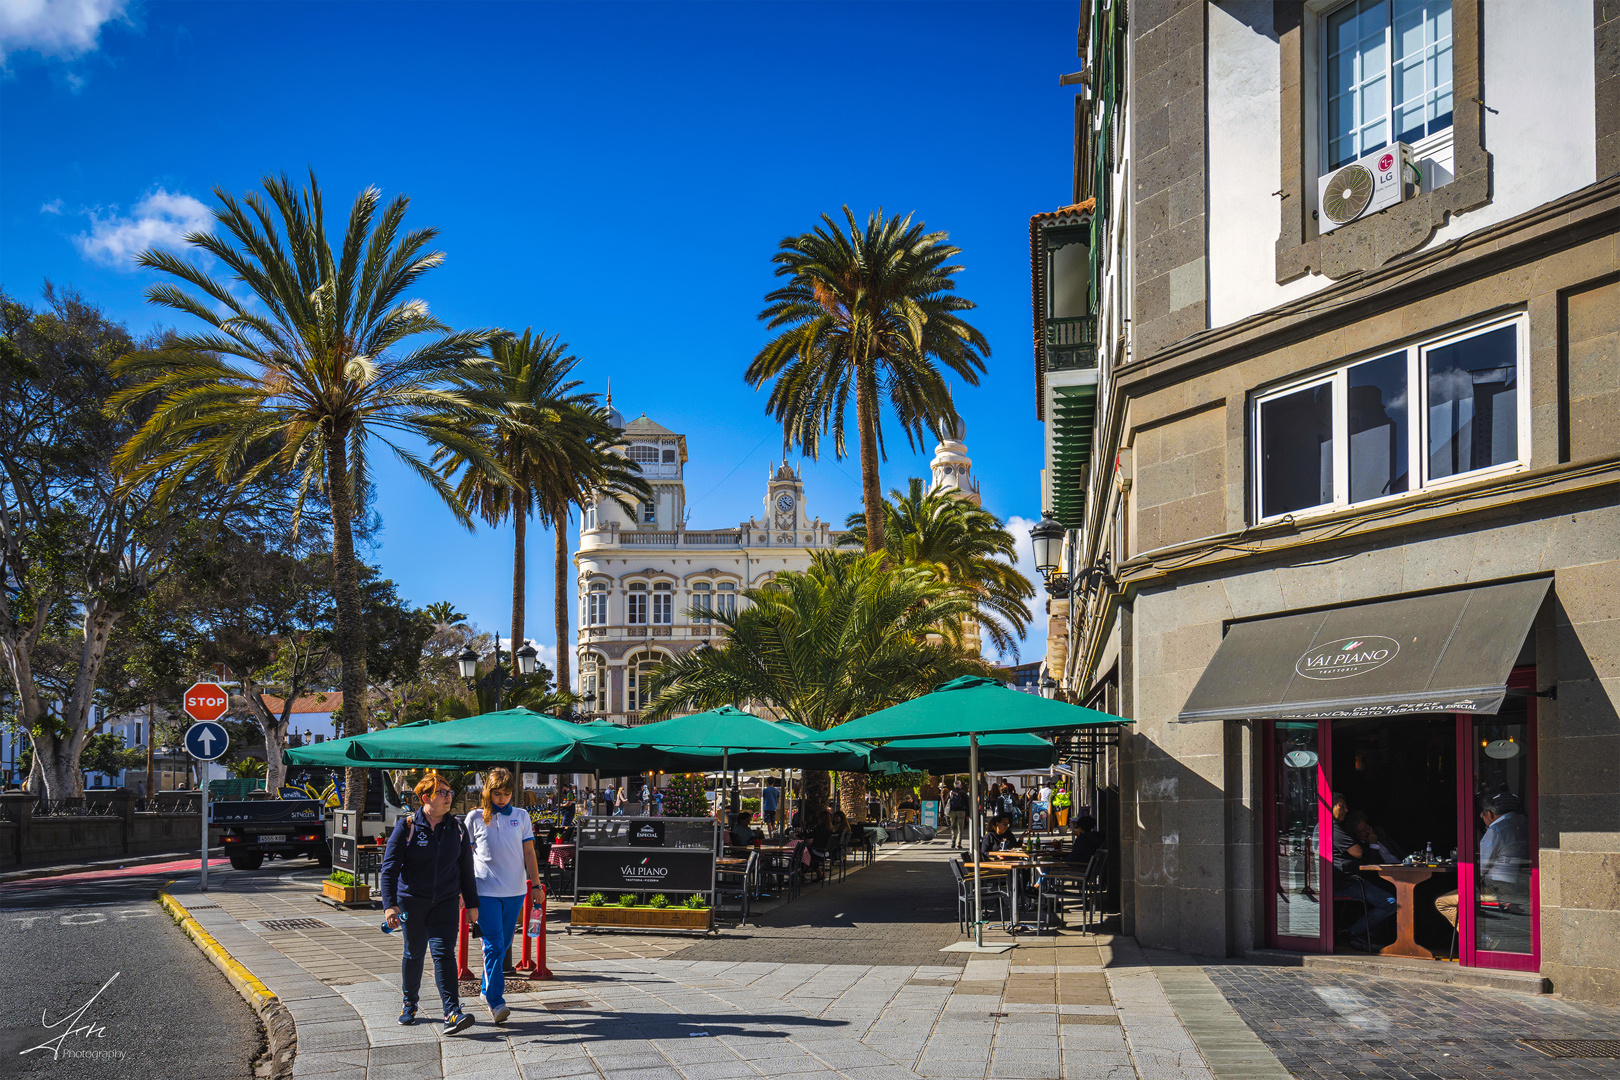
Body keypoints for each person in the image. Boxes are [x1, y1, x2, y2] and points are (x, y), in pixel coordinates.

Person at [381, 771, 480, 1033]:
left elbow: (466, 869)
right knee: (413, 953)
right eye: (442, 793)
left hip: (446, 902)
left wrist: (472, 904)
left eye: (450, 793)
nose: (449, 797)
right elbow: (389, 868)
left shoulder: (457, 827)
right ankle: (409, 1003)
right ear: (426, 797)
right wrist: (390, 904)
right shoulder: (408, 826)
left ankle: (452, 1012)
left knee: (444, 954)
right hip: (412, 902)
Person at [464, 769, 543, 1026]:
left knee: (504, 944)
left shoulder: (521, 816)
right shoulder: (474, 817)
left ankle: (487, 989)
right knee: (495, 945)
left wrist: (536, 885)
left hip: (515, 891)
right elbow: (463, 857)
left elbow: (529, 852)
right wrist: (462, 891)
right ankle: (496, 1001)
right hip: (484, 891)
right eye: (497, 793)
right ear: (487, 791)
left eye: (507, 793)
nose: (502, 798)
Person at [1436, 791, 1531, 929]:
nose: (1481, 816)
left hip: (1498, 889)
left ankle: (1481, 940)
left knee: (1442, 902)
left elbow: (1481, 867)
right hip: (1520, 885)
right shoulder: (1523, 822)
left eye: (1483, 812)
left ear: (1491, 813)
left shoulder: (1496, 830)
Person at [1329, 792, 1396, 950]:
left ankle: (1369, 934)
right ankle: (1350, 932)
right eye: (1341, 805)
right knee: (1390, 903)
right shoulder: (1332, 827)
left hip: (1351, 880)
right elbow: (1357, 852)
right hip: (1347, 882)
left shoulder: (1334, 826)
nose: (1346, 809)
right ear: (1329, 806)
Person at [946, 783, 970, 849]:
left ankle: (953, 842)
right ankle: (959, 844)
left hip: (952, 812)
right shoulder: (963, 793)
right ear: (960, 786)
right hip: (961, 812)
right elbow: (967, 803)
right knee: (960, 828)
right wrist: (968, 814)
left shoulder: (951, 792)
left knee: (953, 827)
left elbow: (946, 801)